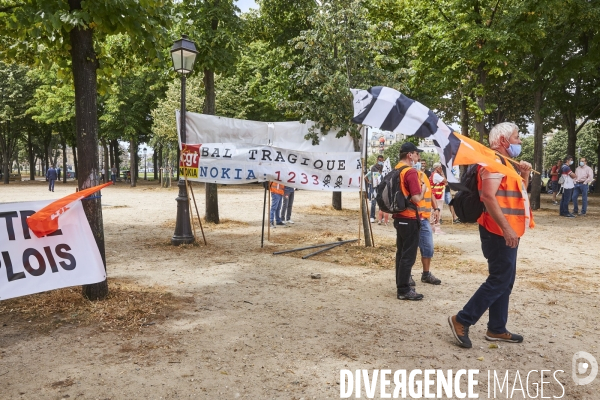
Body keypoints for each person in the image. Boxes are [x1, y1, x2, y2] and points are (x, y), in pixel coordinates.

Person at [449, 122, 534, 348]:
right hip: (498, 231)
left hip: (509, 229)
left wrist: (524, 174)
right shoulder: (493, 164)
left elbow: (518, 194)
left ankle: (496, 328)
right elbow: (488, 197)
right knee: (499, 279)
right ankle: (461, 319)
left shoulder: (506, 164)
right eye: (517, 137)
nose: (520, 141)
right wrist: (507, 229)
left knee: (505, 281)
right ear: (504, 141)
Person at [393, 142, 428, 301]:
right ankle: (404, 289)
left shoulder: (396, 170)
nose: (418, 157)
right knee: (408, 255)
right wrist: (424, 190)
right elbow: (416, 197)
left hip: (398, 216)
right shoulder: (410, 172)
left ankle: (401, 284)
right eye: (416, 154)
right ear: (410, 155)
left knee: (401, 253)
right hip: (409, 216)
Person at [412, 154, 442, 285]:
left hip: (424, 219)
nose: (420, 162)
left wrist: (436, 209)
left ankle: (426, 274)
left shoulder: (424, 176)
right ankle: (407, 275)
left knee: (428, 247)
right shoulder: (410, 175)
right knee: (410, 249)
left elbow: (431, 194)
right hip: (412, 218)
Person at [367, 155, 384, 222]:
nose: (380, 161)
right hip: (374, 187)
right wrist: (378, 174)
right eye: (379, 160)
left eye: (381, 160)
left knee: (381, 202)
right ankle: (372, 216)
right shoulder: (373, 167)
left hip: (381, 187)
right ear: (377, 160)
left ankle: (381, 217)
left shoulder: (384, 168)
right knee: (373, 202)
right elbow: (372, 176)